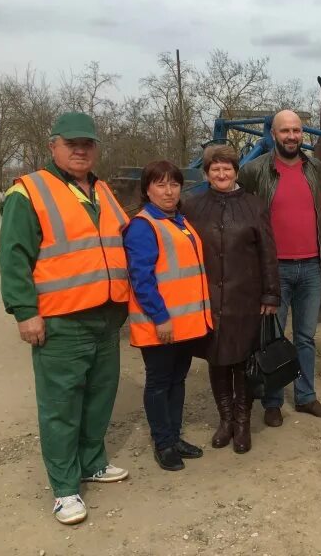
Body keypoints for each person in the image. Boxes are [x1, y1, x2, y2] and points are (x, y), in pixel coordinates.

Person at [0, 112, 129, 525]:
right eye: (71, 143)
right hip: (62, 320)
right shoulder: (29, 192)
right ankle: (65, 489)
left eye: (87, 143)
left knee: (99, 396)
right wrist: (25, 312)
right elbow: (14, 257)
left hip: (107, 316)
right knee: (61, 405)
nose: (80, 150)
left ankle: (92, 461)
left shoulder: (103, 190)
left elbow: (123, 241)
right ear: (53, 146)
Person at [238, 110, 321, 425]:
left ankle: (306, 397)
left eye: (296, 130)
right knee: (272, 339)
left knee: (305, 337)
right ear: (273, 134)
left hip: (311, 267)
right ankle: (273, 401)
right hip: (274, 269)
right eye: (285, 131)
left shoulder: (316, 168)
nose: (291, 136)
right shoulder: (254, 170)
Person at [184, 144, 281, 452]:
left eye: (227, 168)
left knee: (242, 361)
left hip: (246, 297)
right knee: (217, 360)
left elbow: (268, 251)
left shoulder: (254, 205)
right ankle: (225, 420)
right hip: (209, 298)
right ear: (207, 173)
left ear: (236, 172)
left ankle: (242, 422)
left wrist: (270, 293)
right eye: (215, 169)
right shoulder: (193, 206)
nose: (222, 174)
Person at [123, 160, 211, 471]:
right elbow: (141, 279)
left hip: (184, 324)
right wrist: (160, 317)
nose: (168, 190)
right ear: (147, 190)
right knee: (160, 383)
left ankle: (174, 436)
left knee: (177, 380)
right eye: (160, 184)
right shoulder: (143, 226)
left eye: (173, 184)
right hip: (161, 324)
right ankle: (163, 443)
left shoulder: (179, 222)